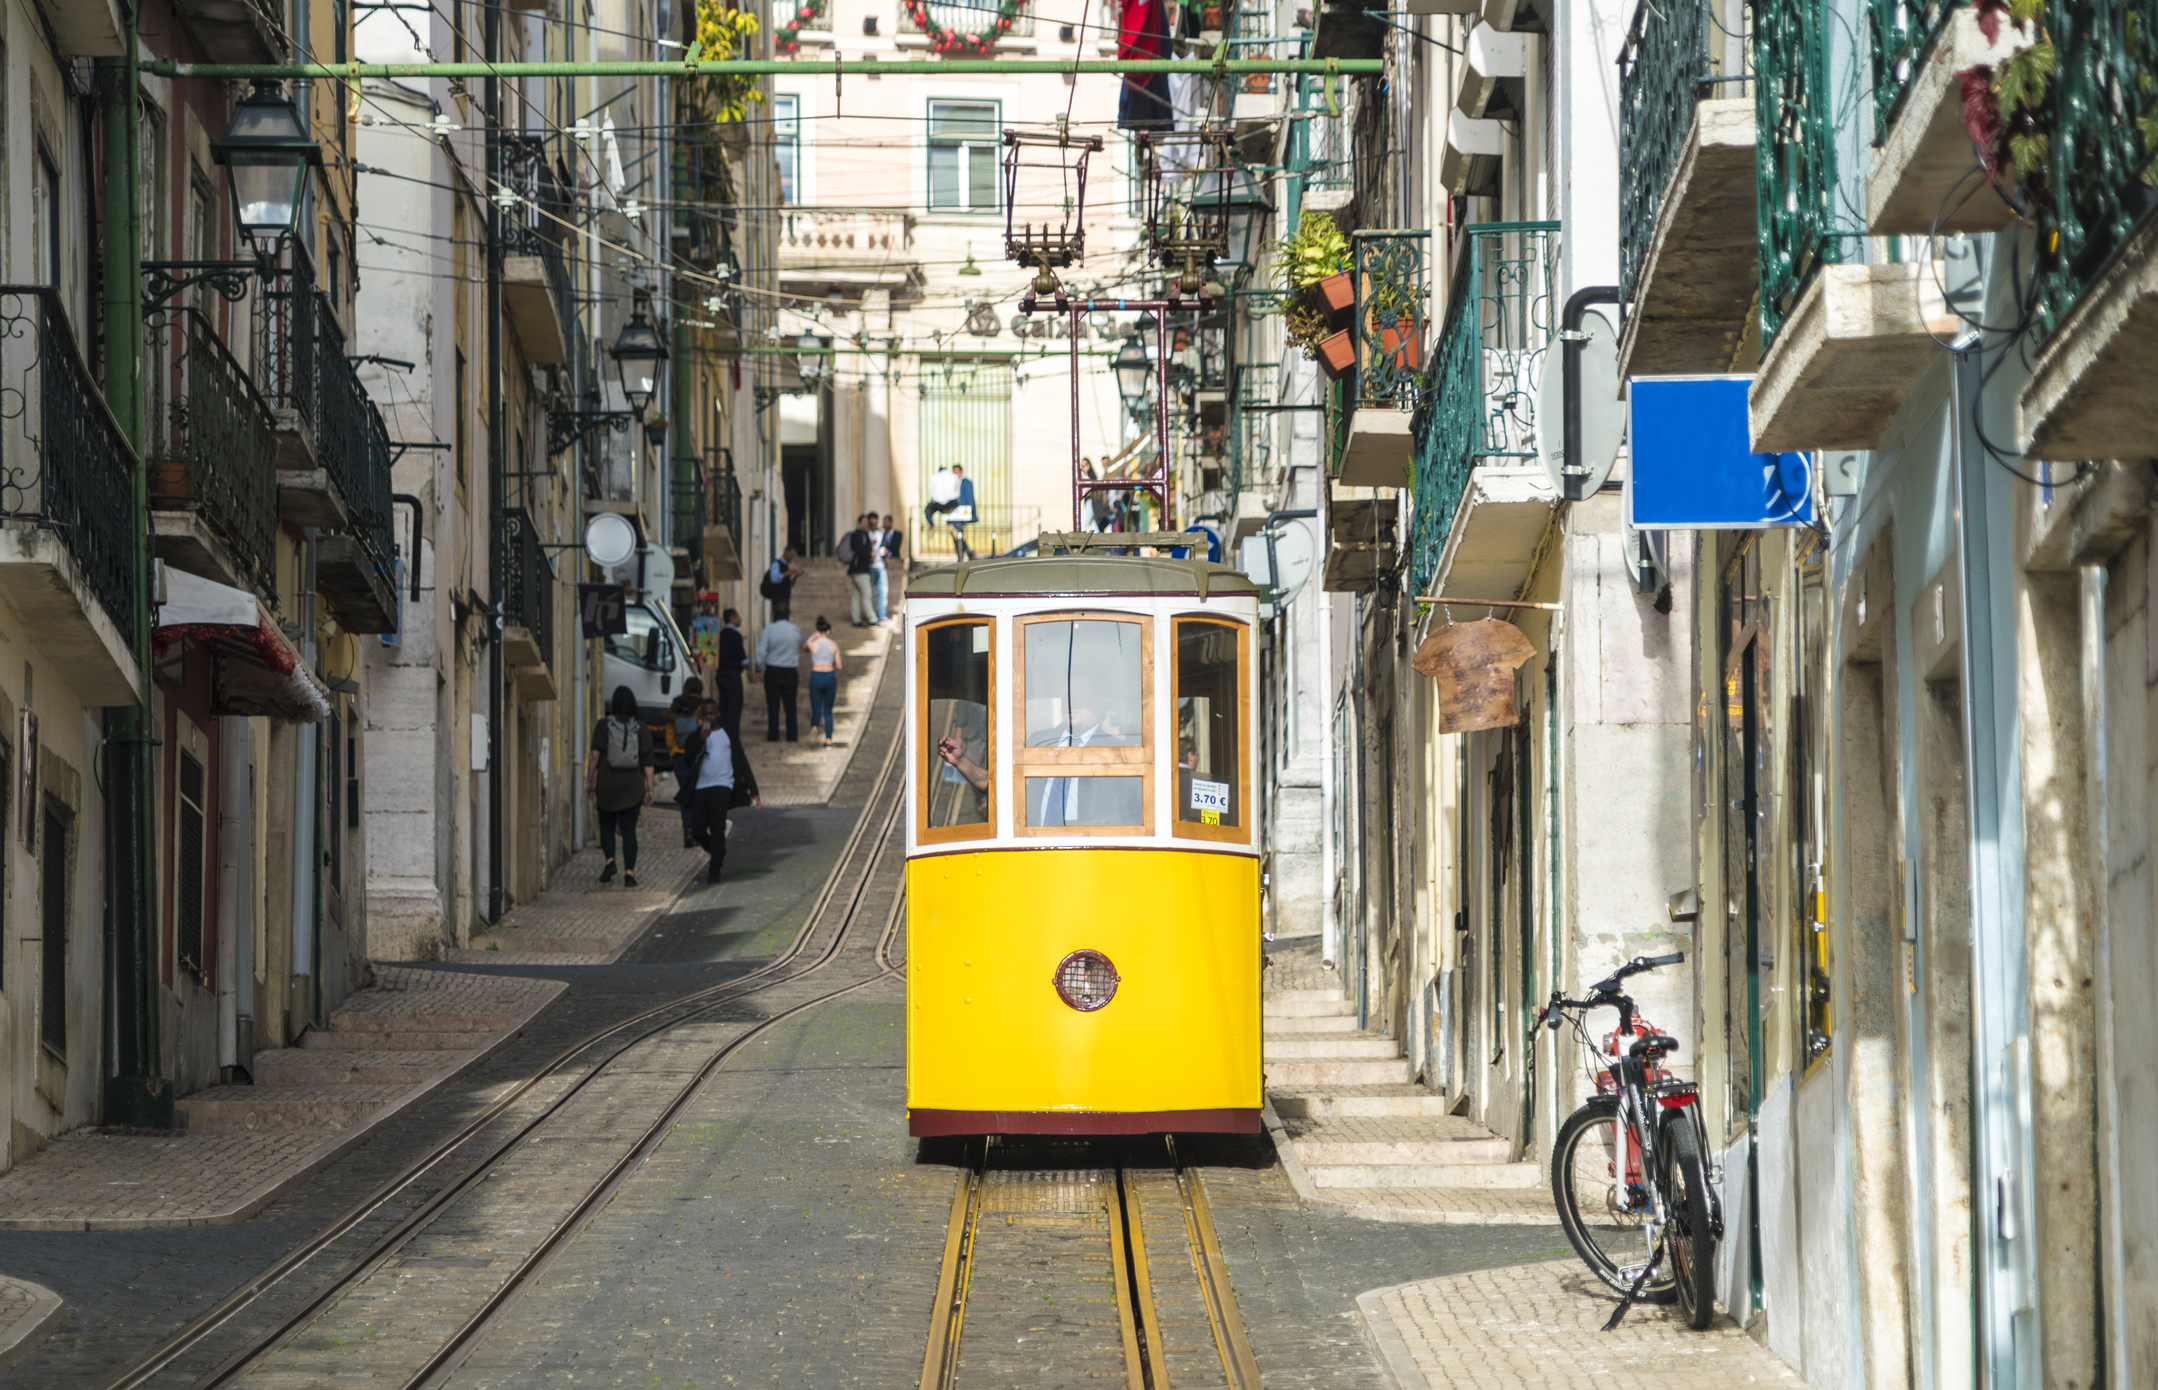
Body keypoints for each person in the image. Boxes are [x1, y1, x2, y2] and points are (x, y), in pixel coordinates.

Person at [681, 699, 761, 884]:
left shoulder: (729, 734)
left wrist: (753, 790)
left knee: (718, 828)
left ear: (717, 714)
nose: (708, 717)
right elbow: (687, 760)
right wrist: (701, 740)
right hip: (701, 786)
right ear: (702, 717)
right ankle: (718, 851)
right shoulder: (696, 736)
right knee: (697, 829)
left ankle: (714, 870)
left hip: (723, 785)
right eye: (705, 715)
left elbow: (742, 763)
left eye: (711, 713)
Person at [584, 685, 655, 886]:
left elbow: (595, 755)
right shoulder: (641, 728)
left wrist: (589, 781)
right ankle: (630, 874)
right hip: (632, 786)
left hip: (607, 784)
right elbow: (648, 762)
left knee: (606, 824)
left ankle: (610, 862)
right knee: (629, 830)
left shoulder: (603, 726)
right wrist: (650, 788)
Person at [667, 675, 707, 848]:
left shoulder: (675, 708)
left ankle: (688, 831)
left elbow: (669, 738)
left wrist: (674, 752)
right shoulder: (704, 707)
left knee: (685, 795)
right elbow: (707, 734)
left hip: (680, 759)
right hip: (698, 759)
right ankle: (698, 831)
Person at [754, 601, 803, 742]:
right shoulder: (795, 630)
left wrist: (759, 666)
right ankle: (792, 735)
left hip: (773, 670)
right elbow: (800, 645)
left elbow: (762, 650)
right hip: (790, 671)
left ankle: (773, 735)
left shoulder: (769, 630)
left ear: (774, 615)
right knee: (790, 705)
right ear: (788, 614)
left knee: (773, 705)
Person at [925, 464, 976, 561]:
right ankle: (964, 553)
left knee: (958, 534)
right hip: (955, 514)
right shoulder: (953, 482)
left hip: (962, 513)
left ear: (961, 472)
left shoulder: (966, 482)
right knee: (956, 535)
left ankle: (965, 553)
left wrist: (967, 511)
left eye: (956, 472)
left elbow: (968, 499)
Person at [805, 616, 843, 746]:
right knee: (827, 710)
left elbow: (805, 647)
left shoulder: (813, 644)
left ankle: (814, 726)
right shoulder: (833, 645)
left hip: (816, 676)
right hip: (829, 676)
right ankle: (828, 739)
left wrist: (813, 637)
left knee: (816, 707)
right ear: (828, 631)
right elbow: (839, 665)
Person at [715, 608, 748, 737]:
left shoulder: (721, 634)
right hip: (733, 675)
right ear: (732, 618)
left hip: (721, 674)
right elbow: (742, 656)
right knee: (734, 704)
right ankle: (733, 732)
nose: (740, 619)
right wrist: (749, 671)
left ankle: (723, 730)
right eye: (738, 616)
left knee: (723, 704)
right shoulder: (735, 635)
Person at [842, 514, 877, 626]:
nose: (866, 524)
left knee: (856, 595)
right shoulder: (858, 535)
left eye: (867, 522)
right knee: (867, 594)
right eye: (863, 522)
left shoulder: (863, 534)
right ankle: (872, 619)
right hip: (860, 570)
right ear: (859, 523)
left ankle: (856, 619)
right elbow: (858, 551)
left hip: (859, 569)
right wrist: (869, 554)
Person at [760, 547, 803, 617]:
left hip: (785, 598)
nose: (792, 558)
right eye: (792, 555)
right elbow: (774, 579)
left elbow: (789, 584)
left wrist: (796, 576)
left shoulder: (786, 566)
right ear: (786, 552)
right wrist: (789, 572)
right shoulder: (776, 564)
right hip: (777, 598)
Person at [875, 514, 902, 622]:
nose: (884, 525)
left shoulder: (898, 534)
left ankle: (882, 614)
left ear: (891, 522)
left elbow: (896, 547)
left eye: (886, 522)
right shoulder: (881, 534)